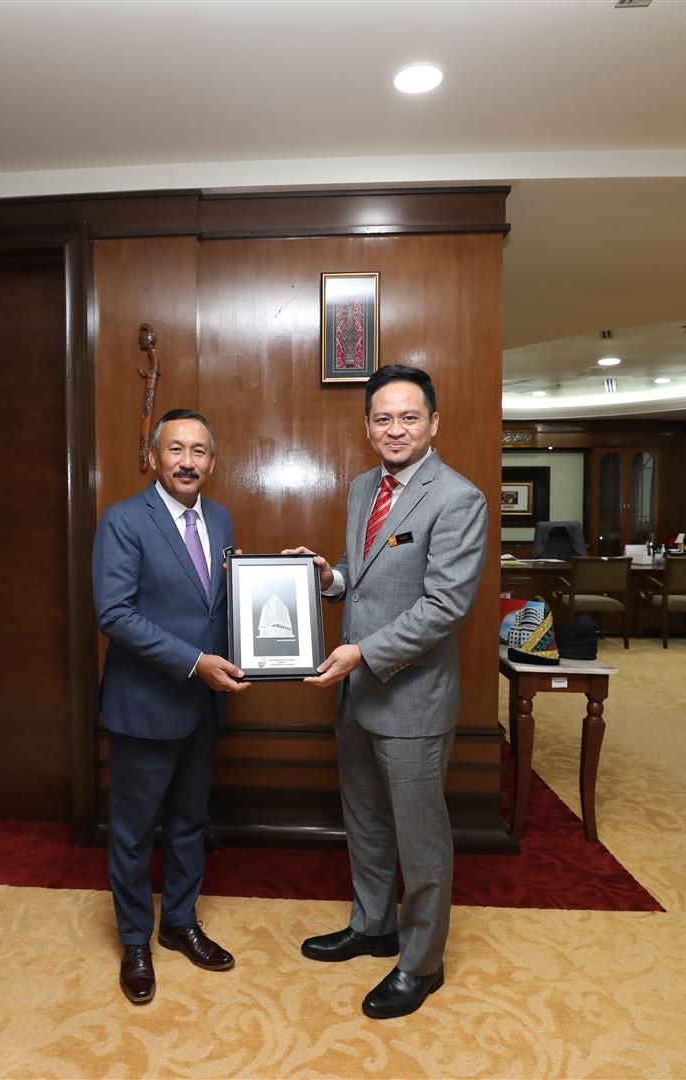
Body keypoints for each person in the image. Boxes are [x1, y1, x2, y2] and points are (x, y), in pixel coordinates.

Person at [284, 364, 490, 1020]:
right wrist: (328, 578)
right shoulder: (362, 487)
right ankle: (373, 926)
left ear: (434, 423)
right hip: (357, 695)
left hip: (411, 698)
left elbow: (443, 606)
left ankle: (422, 962)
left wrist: (363, 653)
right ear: (368, 425)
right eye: (382, 418)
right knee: (367, 821)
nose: (394, 429)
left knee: (420, 838)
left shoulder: (458, 498)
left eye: (408, 417)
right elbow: (363, 573)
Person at [92, 407, 249, 1006]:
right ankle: (135, 941)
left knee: (189, 823)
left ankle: (179, 922)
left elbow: (220, 605)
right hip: (145, 704)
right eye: (176, 449)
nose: (187, 462)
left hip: (203, 705)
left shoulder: (222, 518)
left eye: (199, 451)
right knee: (134, 833)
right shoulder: (124, 520)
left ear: (213, 461)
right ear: (155, 457)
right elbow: (115, 613)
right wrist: (194, 662)